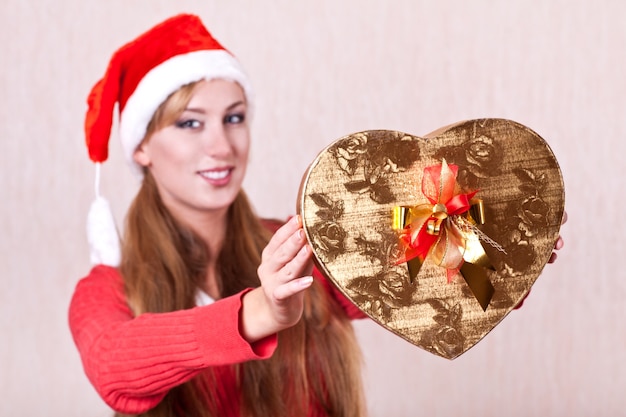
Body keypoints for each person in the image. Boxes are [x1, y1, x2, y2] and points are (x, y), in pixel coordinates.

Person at [69, 13, 565, 417]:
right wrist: (260, 312)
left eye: (234, 117)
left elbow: (434, 282)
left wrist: (503, 254)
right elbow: (114, 367)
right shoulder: (108, 288)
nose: (221, 146)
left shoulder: (304, 242)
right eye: (190, 123)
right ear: (141, 148)